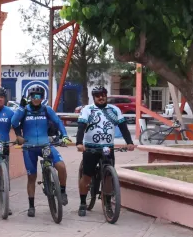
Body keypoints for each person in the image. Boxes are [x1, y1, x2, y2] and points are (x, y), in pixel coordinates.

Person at [76, 86, 135, 217]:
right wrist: (79, 143)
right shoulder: (87, 110)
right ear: (93, 97)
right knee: (87, 176)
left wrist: (129, 142)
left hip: (108, 148)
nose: (101, 97)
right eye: (98, 95)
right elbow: (81, 127)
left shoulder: (114, 110)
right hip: (91, 148)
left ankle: (107, 203)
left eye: (103, 94)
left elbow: (123, 127)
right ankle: (82, 202)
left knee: (108, 176)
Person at [11, 86, 70, 217]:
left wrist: (65, 135)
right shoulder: (25, 110)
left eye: (38, 96)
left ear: (42, 98)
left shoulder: (46, 109)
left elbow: (58, 122)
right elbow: (14, 122)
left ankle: (62, 191)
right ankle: (31, 206)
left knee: (61, 166)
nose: (36, 99)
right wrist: (20, 107)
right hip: (29, 148)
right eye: (33, 96)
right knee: (31, 177)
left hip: (45, 145)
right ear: (30, 97)